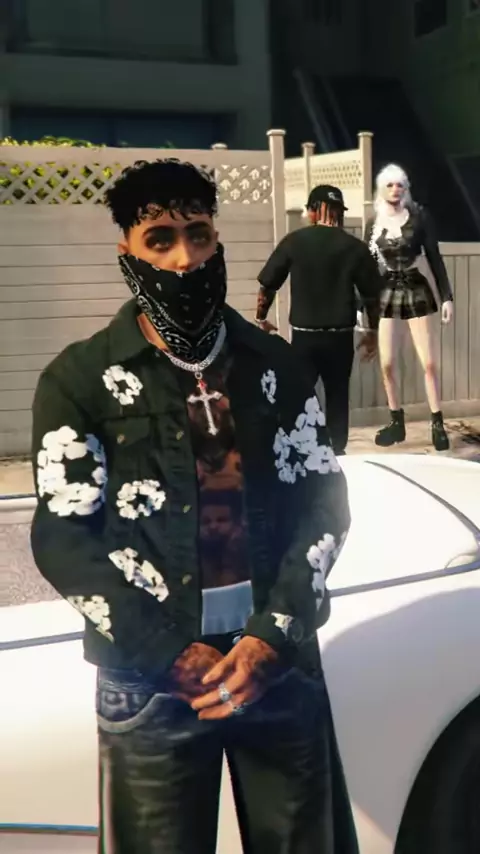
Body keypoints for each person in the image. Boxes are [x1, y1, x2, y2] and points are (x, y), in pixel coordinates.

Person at [30, 158, 358, 854]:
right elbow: (63, 536)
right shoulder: (80, 379)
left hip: (276, 662)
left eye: (199, 234)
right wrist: (163, 650)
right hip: (149, 678)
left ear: (217, 239)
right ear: (127, 251)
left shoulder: (278, 367)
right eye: (160, 239)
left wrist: (273, 633)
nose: (184, 258)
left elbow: (324, 505)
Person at [255, 184, 383, 456]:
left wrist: (261, 318)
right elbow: (372, 297)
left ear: (312, 211)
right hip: (340, 336)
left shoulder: (294, 241)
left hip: (305, 336)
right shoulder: (355, 248)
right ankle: (337, 451)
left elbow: (267, 285)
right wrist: (372, 332)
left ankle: (300, 448)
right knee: (337, 395)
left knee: (299, 393)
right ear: (339, 212)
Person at [365, 163, 453, 450]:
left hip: (416, 288)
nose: (395, 190)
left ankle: (437, 422)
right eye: (390, 185)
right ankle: (396, 422)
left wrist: (447, 297)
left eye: (400, 185)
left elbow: (435, 257)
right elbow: (367, 268)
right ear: (381, 189)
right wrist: (362, 306)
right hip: (387, 291)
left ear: (406, 188)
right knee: (387, 363)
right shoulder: (374, 223)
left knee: (429, 363)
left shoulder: (419, 217)